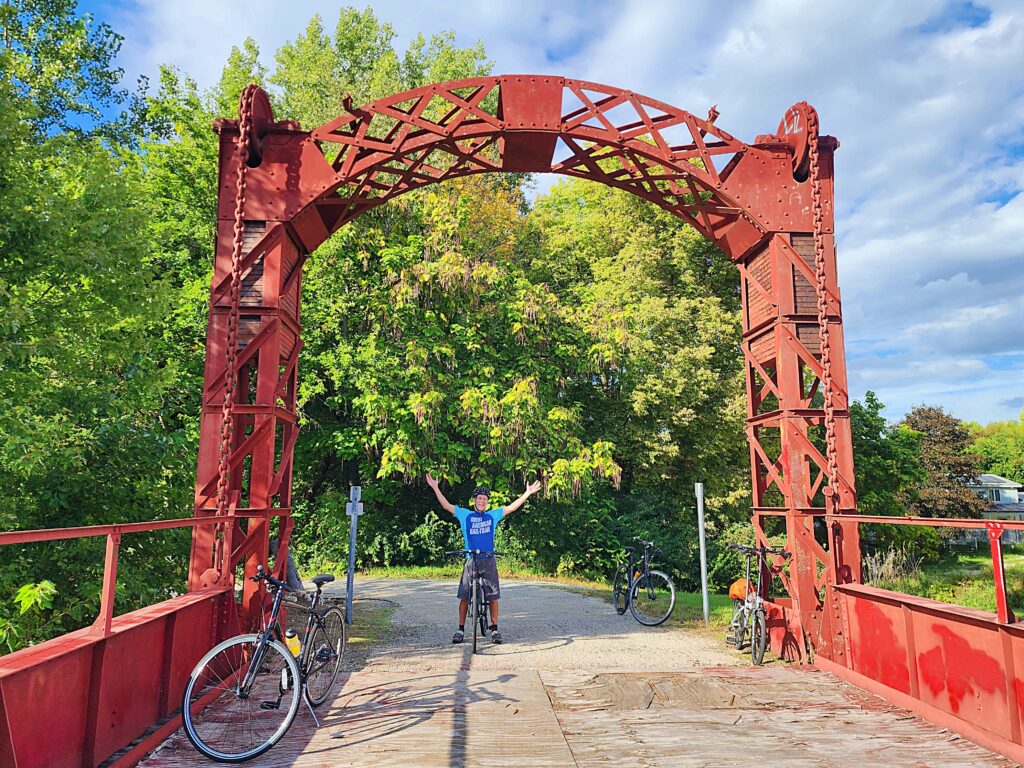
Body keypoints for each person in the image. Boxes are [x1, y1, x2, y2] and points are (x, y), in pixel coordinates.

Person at [425, 473, 542, 644]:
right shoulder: (465, 515)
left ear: (487, 502)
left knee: (493, 597)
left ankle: (494, 630)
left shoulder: (492, 516)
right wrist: (435, 487)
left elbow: (511, 507)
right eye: (479, 498)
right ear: (474, 500)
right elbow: (446, 506)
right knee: (464, 597)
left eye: (484, 499)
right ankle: (460, 629)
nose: (482, 501)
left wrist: (527, 493)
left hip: (488, 559)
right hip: (471, 560)